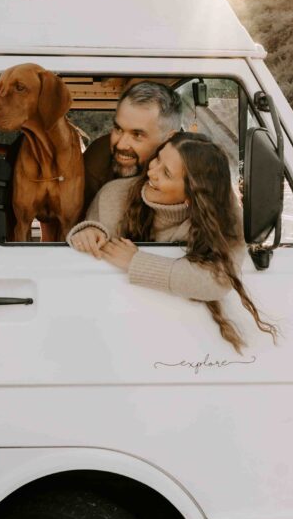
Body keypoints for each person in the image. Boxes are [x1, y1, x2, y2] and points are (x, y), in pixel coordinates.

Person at [68, 131, 278, 353]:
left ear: (192, 194)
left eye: (166, 173)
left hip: (181, 344)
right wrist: (87, 232)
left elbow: (219, 279)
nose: (151, 172)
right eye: (158, 158)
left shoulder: (223, 217)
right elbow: (86, 247)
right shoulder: (114, 195)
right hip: (108, 334)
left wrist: (136, 262)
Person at [82, 81, 184, 211]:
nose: (121, 145)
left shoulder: (190, 177)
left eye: (137, 135)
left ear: (170, 139)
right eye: (118, 129)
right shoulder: (96, 162)